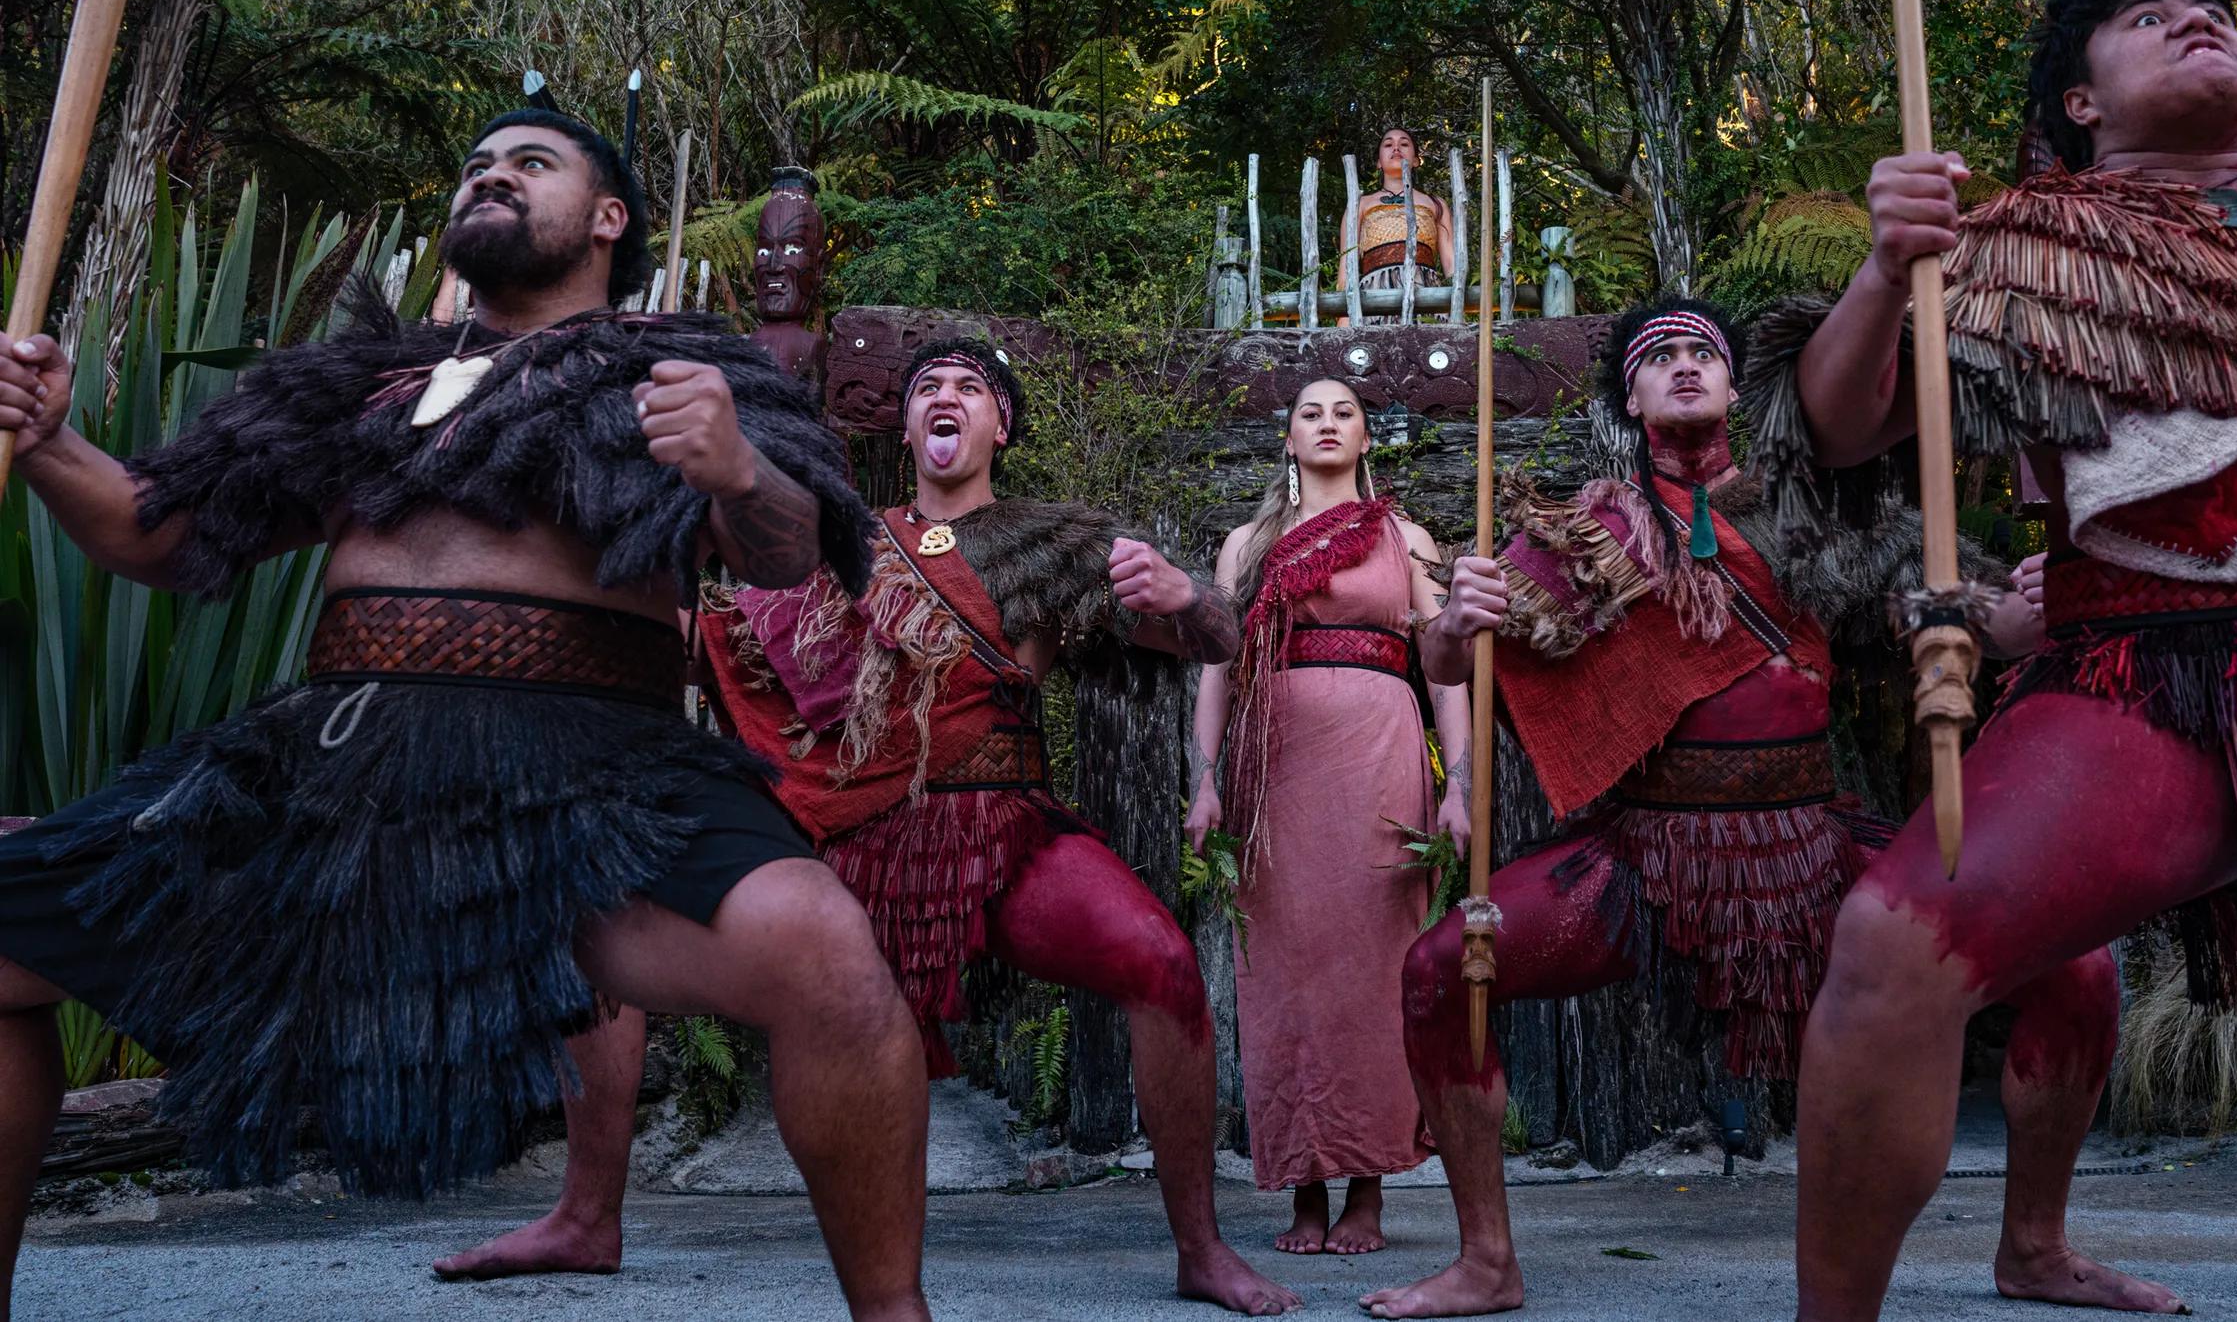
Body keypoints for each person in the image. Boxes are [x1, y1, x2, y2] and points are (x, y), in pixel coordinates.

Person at [0, 110, 933, 1320]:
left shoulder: (677, 370)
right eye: (478, 164)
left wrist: (736, 468)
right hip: (325, 769)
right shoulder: (362, 387)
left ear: (609, 219)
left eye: (531, 162)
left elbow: (784, 550)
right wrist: (50, 437)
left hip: (589, 774)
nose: (492, 173)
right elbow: (157, 532)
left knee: (823, 950)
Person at [1763, 0, 2237, 1320]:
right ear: (2083, 109)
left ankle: (2032, 1246)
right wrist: (1884, 266)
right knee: (1891, 945)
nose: (2195, 26)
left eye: (2211, 12)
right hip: (2155, 674)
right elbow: (1842, 426)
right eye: (2151, 20)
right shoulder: (2013, 247)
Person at [440, 336, 1303, 1316]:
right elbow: (723, 651)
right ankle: (586, 1216)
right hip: (842, 842)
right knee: (604, 935)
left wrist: (1187, 595)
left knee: (1159, 962)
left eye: (968, 387)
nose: (945, 395)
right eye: (925, 385)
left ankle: (1201, 1246)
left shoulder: (1051, 542)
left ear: (999, 424)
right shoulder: (835, 538)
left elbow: (1215, 638)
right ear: (903, 425)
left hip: (1003, 827)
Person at [1358, 297, 2063, 1321]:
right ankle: (1485, 1260)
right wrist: (1450, 621)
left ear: (1737, 387)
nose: (1685, 366)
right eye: (1660, 357)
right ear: (1630, 397)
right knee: (1437, 969)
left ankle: (2035, 1246)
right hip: (1647, 853)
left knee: (2070, 966)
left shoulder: (1820, 510)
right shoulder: (1586, 531)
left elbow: (1943, 607)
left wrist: (2013, 618)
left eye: (1705, 353)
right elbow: (1453, 656)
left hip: (1813, 841)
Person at [1186, 379, 1472, 1257]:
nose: (1326, 422)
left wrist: (1458, 782)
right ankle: (1303, 1187)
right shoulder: (1249, 544)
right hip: (1277, 776)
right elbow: (1213, 669)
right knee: (1286, 973)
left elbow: (1448, 670)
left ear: (1365, 438)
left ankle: (1367, 1189)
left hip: (1382, 769)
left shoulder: (1406, 538)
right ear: (1288, 439)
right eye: (1310, 411)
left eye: (1343, 411)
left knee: (1373, 970)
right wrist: (1204, 780)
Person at [1341, 129, 1458, 302]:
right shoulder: (1360, 204)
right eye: (1388, 144)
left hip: (1425, 295)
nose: (1396, 148)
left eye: (1404, 144)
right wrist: (1344, 316)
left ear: (1417, 160)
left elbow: (1452, 266)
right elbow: (1346, 266)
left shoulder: (1435, 204)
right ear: (1378, 163)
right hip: (1372, 299)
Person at [750, 165, 831, 395]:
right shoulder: (742, 346)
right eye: (764, 251)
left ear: (819, 266)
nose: (775, 266)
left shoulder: (813, 346)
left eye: (792, 249)